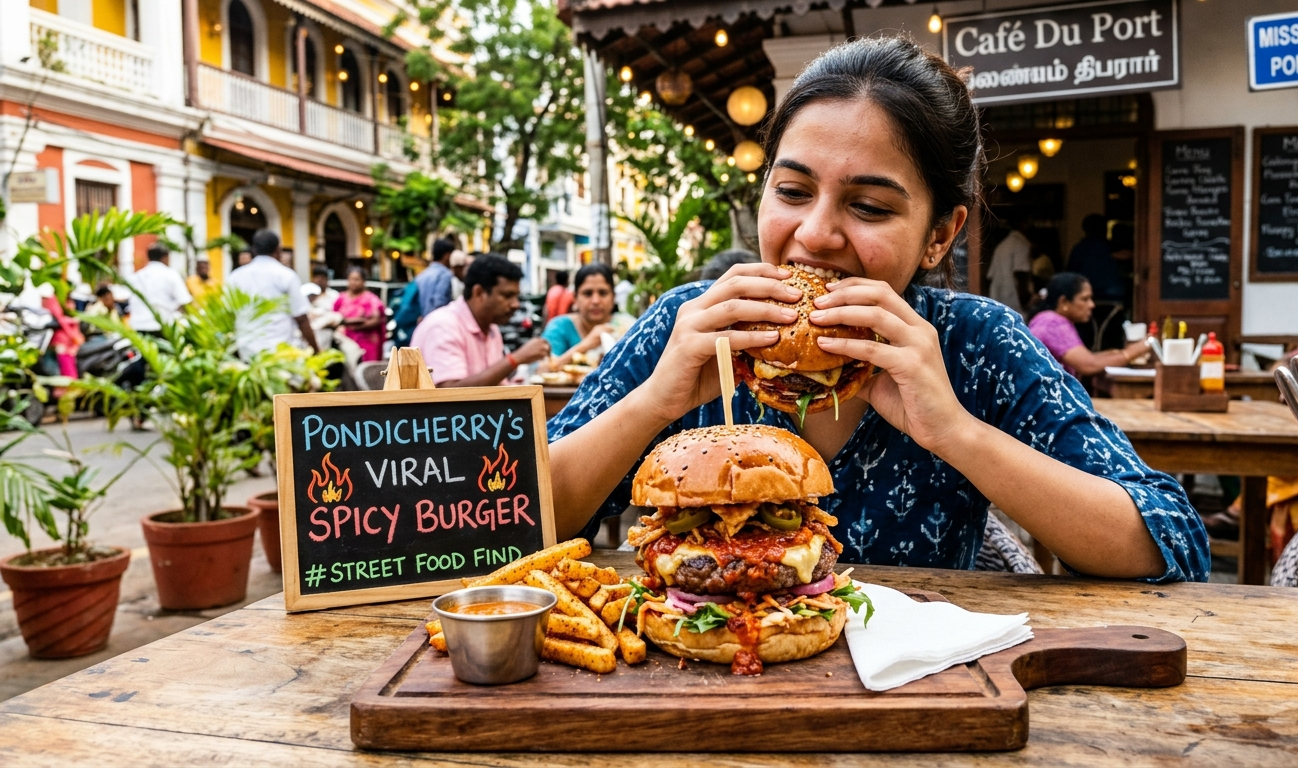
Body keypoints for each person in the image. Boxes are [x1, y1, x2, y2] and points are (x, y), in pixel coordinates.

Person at [545, 37, 1208, 583]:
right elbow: (505, 522)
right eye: (793, 190)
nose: (814, 233)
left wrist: (956, 432)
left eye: (869, 207)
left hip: (923, 708)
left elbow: (1171, 542)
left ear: (940, 234)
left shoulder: (974, 341)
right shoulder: (691, 323)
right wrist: (653, 405)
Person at [411, 254, 550, 387]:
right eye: (508, 296)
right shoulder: (443, 326)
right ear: (479, 292)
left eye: (516, 296)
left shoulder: (491, 329)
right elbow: (450, 393)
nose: (516, 304)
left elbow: (495, 386)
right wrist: (515, 359)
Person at [1027, 273, 1148, 378]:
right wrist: (1132, 352)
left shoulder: (1046, 319)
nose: (1092, 305)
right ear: (1063, 302)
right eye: (1084, 299)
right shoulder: (1053, 323)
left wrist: (1117, 353)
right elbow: (1089, 365)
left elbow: (1088, 358)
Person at [225, 229, 319, 358]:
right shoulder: (286, 275)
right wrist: (316, 351)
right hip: (280, 351)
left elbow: (229, 316)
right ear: (278, 250)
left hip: (246, 351)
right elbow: (301, 318)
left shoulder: (235, 277)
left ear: (254, 250)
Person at [540, 262, 635, 370]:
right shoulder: (559, 327)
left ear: (613, 298)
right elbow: (542, 370)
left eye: (603, 293)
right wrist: (586, 345)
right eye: (588, 293)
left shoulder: (628, 327)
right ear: (575, 298)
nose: (595, 301)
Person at [126, 243, 192, 333]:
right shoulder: (171, 275)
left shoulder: (136, 276)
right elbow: (185, 301)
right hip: (161, 327)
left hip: (138, 326)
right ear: (165, 257)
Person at [333, 267, 386, 362]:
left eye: (357, 279)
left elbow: (376, 319)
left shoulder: (371, 299)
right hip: (345, 342)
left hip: (366, 342)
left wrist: (355, 327)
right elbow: (334, 317)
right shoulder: (341, 298)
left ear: (363, 281)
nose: (353, 282)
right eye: (351, 279)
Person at [1067, 214, 1123, 303]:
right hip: (1114, 292)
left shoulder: (1080, 248)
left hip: (1086, 292)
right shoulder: (1112, 247)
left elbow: (1070, 272)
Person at [986, 214, 1032, 316]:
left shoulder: (1002, 246)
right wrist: (1028, 303)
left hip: (998, 305)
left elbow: (990, 277)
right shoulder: (1020, 244)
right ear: (1023, 224)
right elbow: (1021, 274)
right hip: (1016, 307)